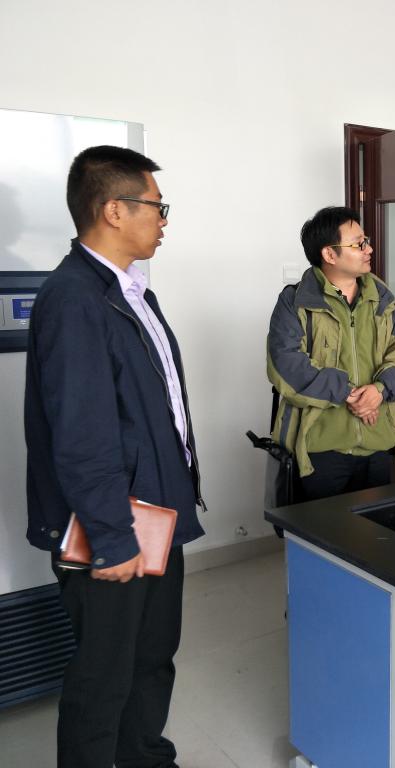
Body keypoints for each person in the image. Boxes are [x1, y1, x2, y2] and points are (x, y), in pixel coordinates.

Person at [24, 145, 205, 767]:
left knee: (152, 656)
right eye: (157, 206)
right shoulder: (75, 298)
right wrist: (111, 537)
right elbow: (82, 435)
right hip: (115, 525)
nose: (164, 220)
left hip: (155, 513)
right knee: (104, 675)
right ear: (114, 210)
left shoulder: (130, 292)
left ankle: (146, 757)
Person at [267, 206, 395, 499]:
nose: (369, 249)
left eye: (366, 241)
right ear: (329, 254)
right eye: (359, 244)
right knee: (322, 527)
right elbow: (286, 365)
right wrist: (350, 394)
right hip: (320, 448)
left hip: (378, 441)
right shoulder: (295, 302)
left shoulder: (382, 299)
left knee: (374, 527)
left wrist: (379, 391)